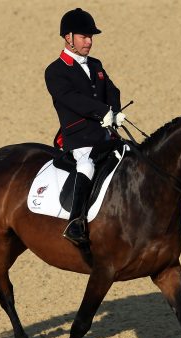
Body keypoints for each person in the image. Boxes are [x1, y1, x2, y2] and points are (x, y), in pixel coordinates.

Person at [45, 8, 125, 246]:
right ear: (68, 38)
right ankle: (75, 222)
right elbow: (72, 99)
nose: (89, 42)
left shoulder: (96, 65)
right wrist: (103, 112)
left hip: (104, 135)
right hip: (78, 139)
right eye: (84, 36)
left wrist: (116, 110)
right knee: (86, 166)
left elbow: (112, 90)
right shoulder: (55, 71)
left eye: (91, 37)